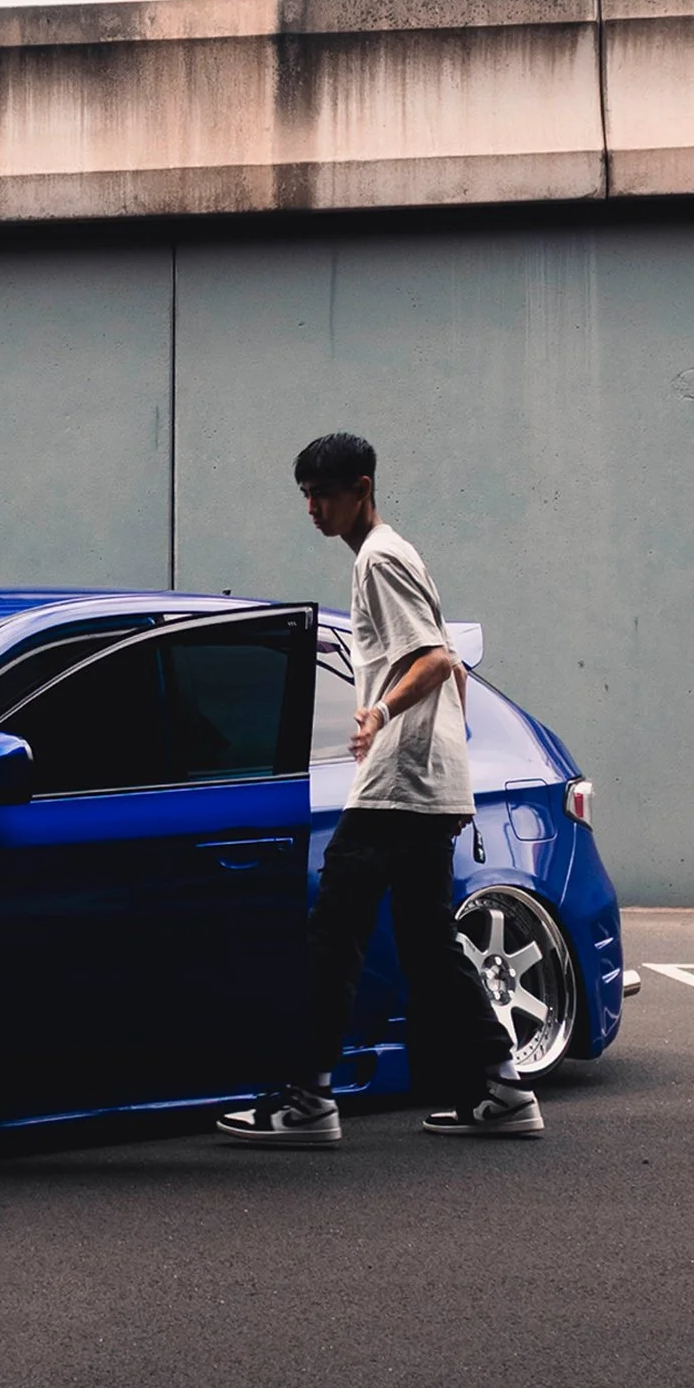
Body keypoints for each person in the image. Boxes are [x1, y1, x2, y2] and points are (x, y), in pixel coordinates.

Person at [215, 430, 542, 1148]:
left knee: (334, 932)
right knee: (427, 945)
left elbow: (431, 660)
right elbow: (452, 664)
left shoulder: (379, 558)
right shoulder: (393, 555)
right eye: (306, 495)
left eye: (324, 494)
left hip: (396, 785)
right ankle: (502, 1089)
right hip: (423, 785)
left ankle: (308, 1096)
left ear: (362, 488)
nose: (313, 508)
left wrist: (381, 713)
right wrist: (449, 769)